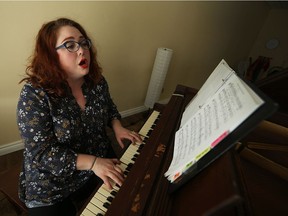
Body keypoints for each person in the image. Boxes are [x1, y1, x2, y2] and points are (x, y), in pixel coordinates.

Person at [16, 17, 142, 216]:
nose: (82, 50)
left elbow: (109, 107)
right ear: (51, 55)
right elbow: (41, 154)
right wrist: (93, 163)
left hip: (97, 156)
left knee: (129, 200)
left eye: (83, 43)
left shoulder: (97, 81)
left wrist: (117, 125)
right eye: (70, 45)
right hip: (51, 181)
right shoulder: (34, 94)